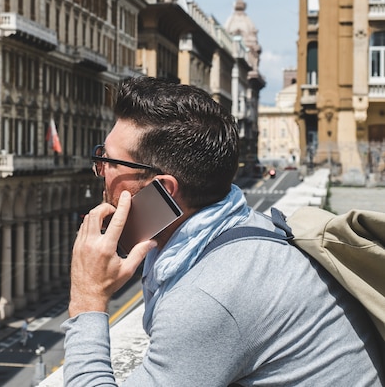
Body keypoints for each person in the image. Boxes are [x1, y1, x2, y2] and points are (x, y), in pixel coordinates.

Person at [63, 77, 383, 386]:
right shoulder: (245, 227)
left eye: (110, 162)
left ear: (163, 190)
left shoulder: (208, 297)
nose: (102, 172)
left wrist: (88, 296)